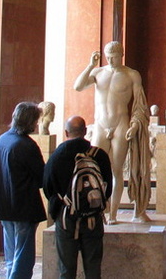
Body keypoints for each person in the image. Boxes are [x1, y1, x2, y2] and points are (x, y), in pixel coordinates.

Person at [74, 41, 150, 223]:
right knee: (95, 169)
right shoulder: (97, 72)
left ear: (121, 54)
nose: (110, 60)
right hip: (100, 124)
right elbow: (78, 86)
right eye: (108, 56)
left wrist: (135, 124)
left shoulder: (131, 74)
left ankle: (113, 213)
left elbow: (140, 103)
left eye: (114, 56)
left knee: (116, 170)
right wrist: (90, 65)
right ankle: (99, 210)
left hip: (120, 124)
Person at [43, 116, 113, 279]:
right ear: (85, 132)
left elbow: (47, 186)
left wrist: (59, 207)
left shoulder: (57, 155)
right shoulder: (99, 155)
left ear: (66, 132)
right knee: (93, 268)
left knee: (66, 269)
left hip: (67, 217)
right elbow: (107, 187)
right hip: (92, 219)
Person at [0, 102, 46, 279]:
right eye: (35, 120)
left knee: (11, 254)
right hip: (24, 206)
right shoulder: (26, 145)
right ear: (29, 121)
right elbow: (41, 176)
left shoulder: (3, 139)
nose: (36, 124)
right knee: (23, 256)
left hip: (5, 206)